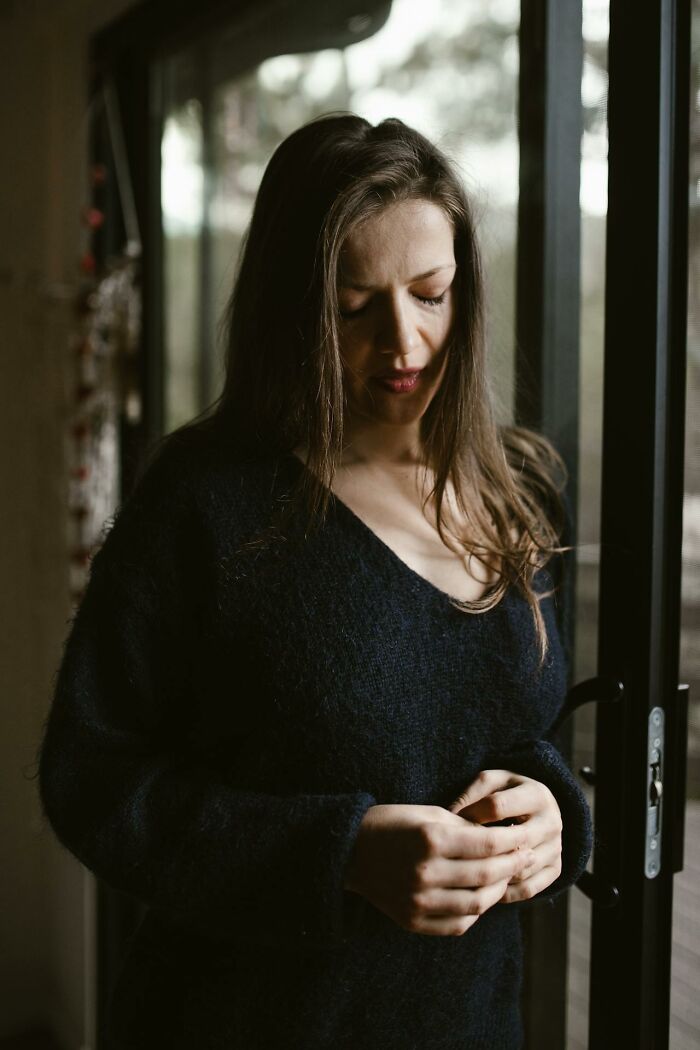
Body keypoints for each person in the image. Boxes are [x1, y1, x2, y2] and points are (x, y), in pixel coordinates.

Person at [37, 113, 592, 1049]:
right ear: (292, 308)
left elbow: (515, 731)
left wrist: (554, 812)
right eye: (353, 305)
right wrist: (337, 856)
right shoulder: (207, 501)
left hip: (469, 1024)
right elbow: (90, 779)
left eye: (431, 292)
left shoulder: (514, 487)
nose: (404, 341)